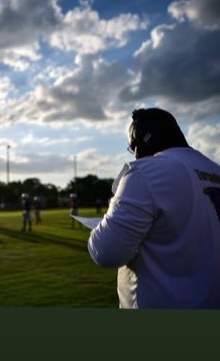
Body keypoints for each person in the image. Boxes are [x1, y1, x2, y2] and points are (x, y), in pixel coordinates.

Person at [87, 107, 220, 309]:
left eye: (134, 147)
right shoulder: (214, 169)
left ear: (144, 139)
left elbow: (106, 252)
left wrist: (98, 231)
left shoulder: (147, 172)